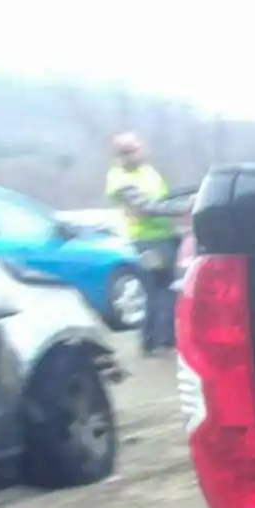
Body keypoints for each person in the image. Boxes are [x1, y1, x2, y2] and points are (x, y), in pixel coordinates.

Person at [104, 133, 177, 354]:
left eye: (138, 148)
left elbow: (164, 198)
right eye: (132, 150)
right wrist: (184, 207)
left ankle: (156, 339)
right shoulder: (120, 179)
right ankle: (159, 340)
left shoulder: (147, 172)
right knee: (160, 288)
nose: (139, 153)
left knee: (160, 288)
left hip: (162, 235)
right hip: (146, 240)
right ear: (122, 154)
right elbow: (146, 207)